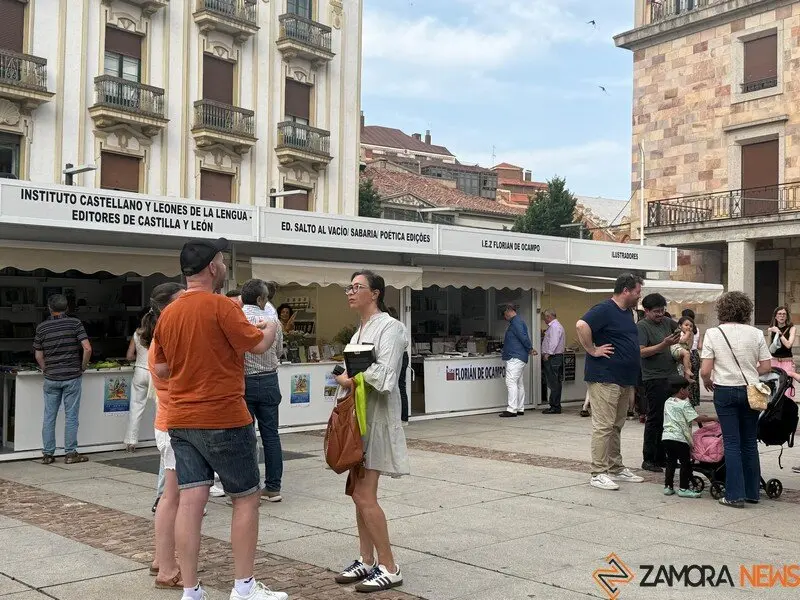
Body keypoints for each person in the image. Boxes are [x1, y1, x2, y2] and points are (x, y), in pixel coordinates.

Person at [151, 238, 285, 600]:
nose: (225, 266)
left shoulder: (169, 314)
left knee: (190, 502)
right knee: (245, 498)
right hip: (224, 414)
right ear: (212, 267)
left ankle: (192, 590)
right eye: (222, 261)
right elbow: (257, 344)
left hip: (180, 419)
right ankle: (243, 587)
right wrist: (270, 327)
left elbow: (161, 368)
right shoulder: (222, 307)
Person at [334, 270, 409, 592]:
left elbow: (386, 375)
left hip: (376, 421)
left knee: (365, 495)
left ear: (375, 293)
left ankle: (389, 565)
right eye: (349, 287)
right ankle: (366, 559)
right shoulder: (359, 329)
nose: (351, 292)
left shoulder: (390, 327)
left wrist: (351, 380)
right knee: (358, 494)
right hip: (358, 420)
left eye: (357, 287)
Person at [700, 291, 771, 508]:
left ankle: (734, 494)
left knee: (732, 442)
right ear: (746, 311)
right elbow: (767, 366)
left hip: (725, 389)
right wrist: (749, 373)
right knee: (749, 442)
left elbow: (705, 369)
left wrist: (707, 380)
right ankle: (752, 492)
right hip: (751, 389)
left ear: (722, 310)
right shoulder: (756, 333)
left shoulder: (713, 333)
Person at [575, 273, 645, 491]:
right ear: (626, 290)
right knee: (604, 426)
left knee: (616, 425)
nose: (639, 296)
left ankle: (615, 466)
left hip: (623, 378)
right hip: (605, 376)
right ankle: (598, 472)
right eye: (637, 292)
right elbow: (580, 325)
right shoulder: (605, 309)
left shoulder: (628, 313)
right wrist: (591, 349)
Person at [145, 282, 186, 589]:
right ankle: (167, 568)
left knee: (170, 494)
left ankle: (163, 559)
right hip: (174, 422)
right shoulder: (166, 335)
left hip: (171, 421)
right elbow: (164, 372)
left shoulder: (162, 333)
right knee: (171, 496)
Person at [34, 293, 93, 465]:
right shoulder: (75, 323)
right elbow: (87, 348)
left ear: (49, 309)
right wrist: (82, 367)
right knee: (71, 416)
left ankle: (47, 454)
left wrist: (46, 368)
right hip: (72, 376)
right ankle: (70, 453)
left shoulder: (41, 328)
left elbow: (38, 355)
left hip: (51, 378)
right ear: (67, 308)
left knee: (49, 416)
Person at [241, 278, 284, 502]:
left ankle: (248, 488)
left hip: (245, 381)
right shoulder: (272, 320)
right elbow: (278, 351)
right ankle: (273, 487)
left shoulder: (238, 318)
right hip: (269, 379)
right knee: (271, 436)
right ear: (260, 299)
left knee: (246, 437)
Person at [638, 293, 681, 473]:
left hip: (670, 375)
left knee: (669, 418)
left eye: (662, 310)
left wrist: (679, 337)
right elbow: (641, 352)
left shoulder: (667, 322)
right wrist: (663, 345)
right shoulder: (641, 327)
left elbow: (681, 331)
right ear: (646, 311)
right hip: (653, 377)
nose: (660, 314)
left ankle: (663, 456)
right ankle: (649, 458)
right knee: (655, 418)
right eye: (656, 311)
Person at [662, 375, 717, 498]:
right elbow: (696, 418)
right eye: (687, 389)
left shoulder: (668, 402)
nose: (688, 392)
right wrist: (714, 418)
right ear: (682, 390)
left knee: (670, 462)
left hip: (667, 437)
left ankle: (668, 487)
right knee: (685, 463)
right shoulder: (684, 404)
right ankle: (683, 488)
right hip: (680, 438)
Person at [499, 303, 536, 418]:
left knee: (511, 381)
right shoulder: (517, 321)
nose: (505, 317)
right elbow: (522, 337)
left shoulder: (516, 322)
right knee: (518, 383)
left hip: (515, 356)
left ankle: (512, 409)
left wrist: (530, 348)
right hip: (518, 356)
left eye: (505, 314)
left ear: (509, 310)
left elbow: (523, 337)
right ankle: (519, 408)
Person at [123, 313, 154, 452]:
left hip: (139, 371)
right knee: (161, 407)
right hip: (154, 372)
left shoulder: (136, 335)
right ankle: (163, 439)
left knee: (136, 406)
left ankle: (131, 442)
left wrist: (139, 356)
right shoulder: (159, 334)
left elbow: (129, 356)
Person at [767, 306, 800, 391]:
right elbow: (769, 348)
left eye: (784, 314)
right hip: (774, 361)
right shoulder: (771, 329)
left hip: (787, 361)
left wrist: (779, 333)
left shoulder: (792, 328)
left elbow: (788, 345)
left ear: (786, 316)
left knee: (786, 388)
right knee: (774, 388)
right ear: (775, 316)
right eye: (779, 314)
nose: (782, 316)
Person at [387, 307, 410, 425]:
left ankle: (403, 417)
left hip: (400, 355)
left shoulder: (396, 326)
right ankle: (402, 417)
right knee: (400, 386)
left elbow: (402, 342)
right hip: (403, 354)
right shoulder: (401, 325)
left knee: (399, 386)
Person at [541, 308, 566, 414]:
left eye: (544, 318)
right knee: (555, 382)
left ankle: (555, 406)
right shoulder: (555, 326)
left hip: (553, 357)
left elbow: (553, 342)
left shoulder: (554, 327)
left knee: (554, 382)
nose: (544, 320)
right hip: (555, 357)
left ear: (548, 316)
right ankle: (555, 405)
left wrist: (548, 354)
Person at [681, 309, 702, 407]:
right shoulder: (697, 329)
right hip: (695, 355)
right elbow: (699, 346)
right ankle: (693, 402)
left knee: (685, 378)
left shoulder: (683, 331)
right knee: (695, 379)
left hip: (686, 354)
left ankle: (686, 402)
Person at [670, 317, 695, 381]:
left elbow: (689, 346)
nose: (688, 327)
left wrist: (691, 337)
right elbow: (682, 341)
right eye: (686, 325)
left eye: (691, 326)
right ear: (680, 326)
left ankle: (687, 378)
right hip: (675, 348)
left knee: (689, 364)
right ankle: (686, 369)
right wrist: (687, 334)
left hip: (682, 351)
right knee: (686, 353)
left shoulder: (689, 335)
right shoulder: (679, 332)